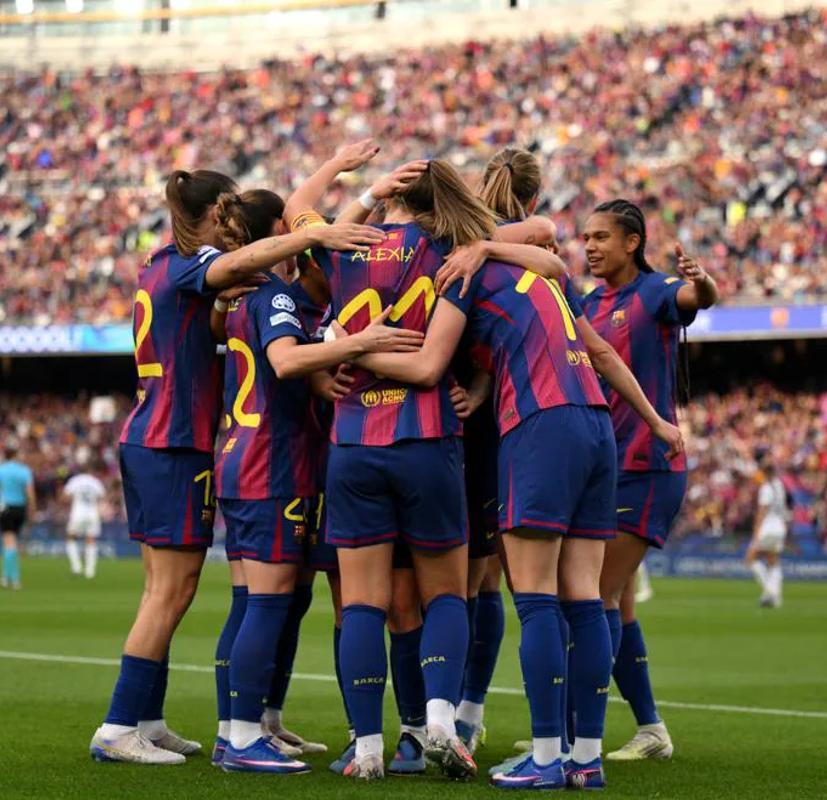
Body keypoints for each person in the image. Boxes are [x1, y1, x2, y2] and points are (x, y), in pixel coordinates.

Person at [347, 188, 683, 790]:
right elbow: (598, 346)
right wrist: (657, 421)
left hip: (539, 424)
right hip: (595, 423)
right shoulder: (532, 270)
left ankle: (547, 756)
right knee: (584, 596)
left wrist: (354, 353)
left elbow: (426, 366)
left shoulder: (458, 269)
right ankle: (585, 758)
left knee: (534, 600)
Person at [89, 168, 385, 766]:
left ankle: (146, 717)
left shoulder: (157, 263)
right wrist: (314, 235)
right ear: (217, 214)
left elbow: (240, 290)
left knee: (166, 589)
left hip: (160, 438)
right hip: (178, 442)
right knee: (173, 592)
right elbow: (252, 265)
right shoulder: (198, 266)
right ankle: (119, 724)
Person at [207, 187, 424, 775]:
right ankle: (245, 736)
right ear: (282, 236)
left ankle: (238, 730)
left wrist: (326, 353)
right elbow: (283, 361)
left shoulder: (239, 297)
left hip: (243, 457)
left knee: (258, 602)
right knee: (268, 604)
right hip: (268, 466)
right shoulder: (273, 295)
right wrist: (362, 342)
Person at [579, 198, 717, 762]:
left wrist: (702, 282)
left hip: (646, 467)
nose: (589, 246)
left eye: (600, 237)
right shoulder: (586, 303)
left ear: (631, 242)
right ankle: (651, 729)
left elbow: (695, 300)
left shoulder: (655, 291)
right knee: (619, 604)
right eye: (585, 237)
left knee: (595, 598)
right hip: (604, 469)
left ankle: (570, 729)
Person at [456, 146, 556, 753]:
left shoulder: (465, 236)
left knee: (460, 583)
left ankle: (439, 716)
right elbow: (546, 240)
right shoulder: (526, 244)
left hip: (454, 417)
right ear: (534, 194)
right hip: (508, 422)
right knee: (498, 582)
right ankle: (469, 711)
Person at [0, 444, 35, 591]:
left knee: (8, 542)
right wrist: (32, 510)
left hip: (5, 507)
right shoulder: (24, 471)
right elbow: (30, 494)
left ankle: (12, 578)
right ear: (15, 455)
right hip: (20, 508)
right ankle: (7, 576)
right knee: (13, 541)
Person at [746, 455, 791, 608]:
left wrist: (756, 532)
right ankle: (776, 598)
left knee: (750, 559)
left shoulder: (766, 488)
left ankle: (770, 593)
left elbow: (762, 512)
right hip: (780, 527)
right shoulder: (779, 485)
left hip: (768, 527)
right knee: (773, 562)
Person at [63, 469, 107, 579]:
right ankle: (90, 572)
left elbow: (65, 496)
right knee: (91, 540)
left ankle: (76, 566)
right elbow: (103, 496)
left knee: (70, 537)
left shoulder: (75, 480)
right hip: (92, 514)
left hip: (78, 514)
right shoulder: (95, 482)